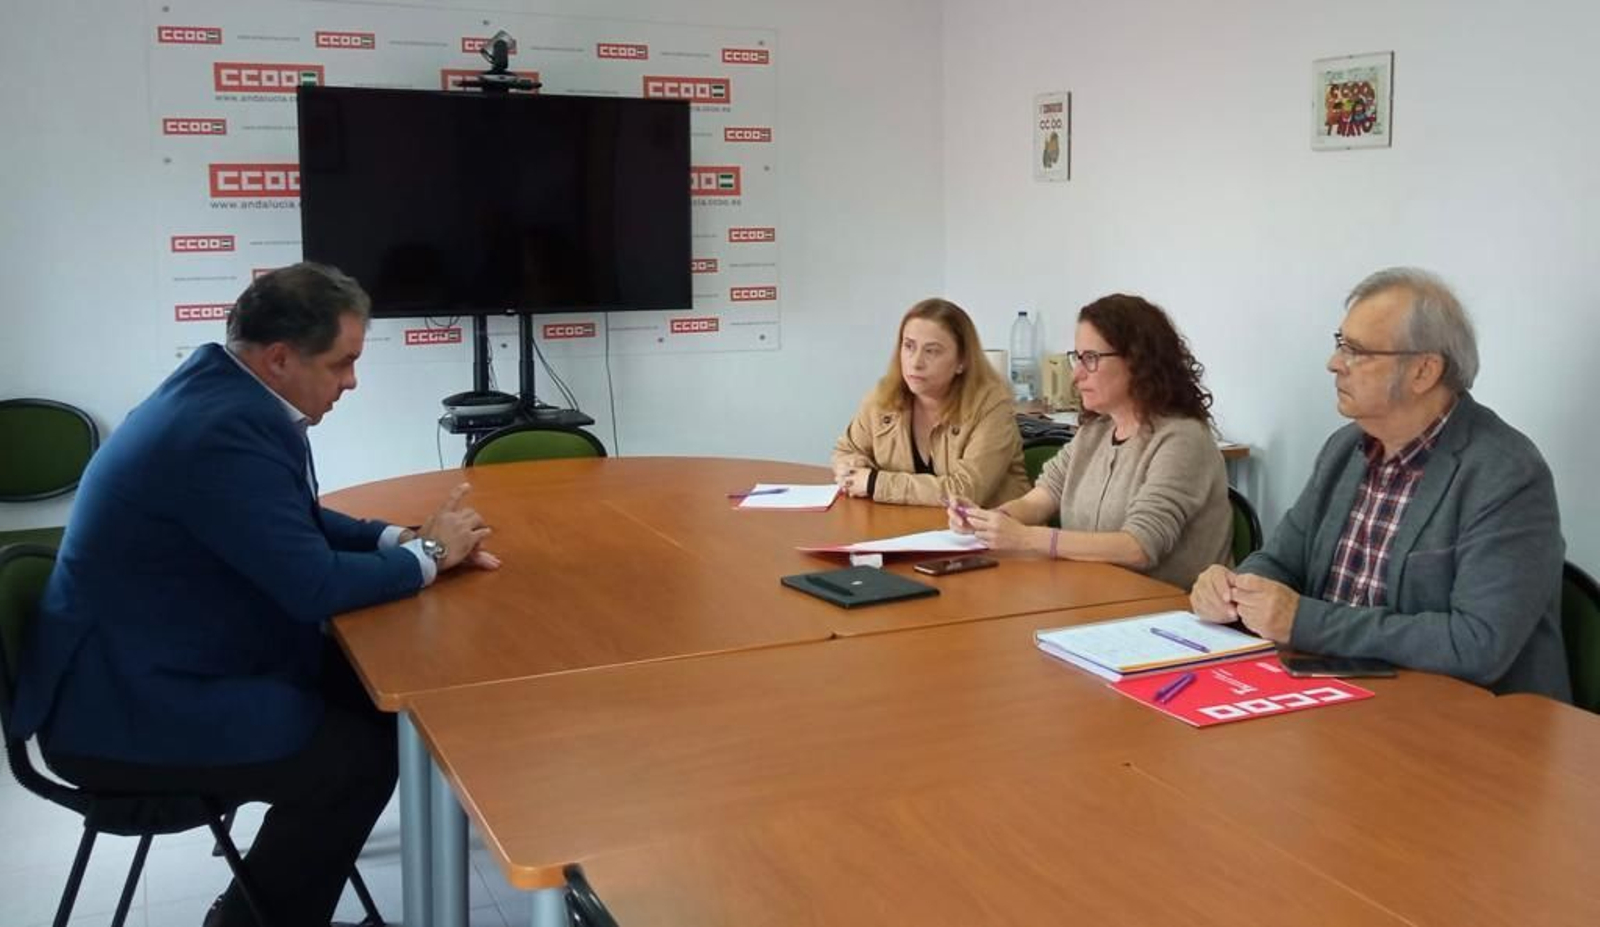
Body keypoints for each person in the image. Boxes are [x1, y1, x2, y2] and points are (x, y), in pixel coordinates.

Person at [11, 263, 501, 927]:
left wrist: (400, 541)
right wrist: (432, 556)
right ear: (278, 358)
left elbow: (290, 517)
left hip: (156, 657)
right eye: (341, 363)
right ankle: (251, 919)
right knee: (356, 758)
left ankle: (266, 906)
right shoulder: (219, 430)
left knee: (381, 699)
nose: (351, 382)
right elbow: (314, 585)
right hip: (126, 707)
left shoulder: (218, 391)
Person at [1191, 268, 1568, 700]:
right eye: (1339, 343)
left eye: (1357, 351)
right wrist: (1234, 590)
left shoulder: (1505, 473)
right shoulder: (1345, 448)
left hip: (1463, 723)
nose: (1334, 363)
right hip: (1336, 696)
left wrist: (1304, 621)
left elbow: (1478, 643)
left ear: (1424, 371)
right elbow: (1282, 561)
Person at [949, 294, 1230, 589]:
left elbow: (1139, 548)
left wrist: (1027, 538)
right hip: (1093, 598)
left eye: (1090, 359)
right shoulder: (1095, 431)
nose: (1076, 374)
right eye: (1077, 357)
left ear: (1137, 361)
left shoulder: (1182, 439)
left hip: (1165, 616)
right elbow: (1039, 501)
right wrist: (989, 520)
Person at [832, 298, 1029, 507]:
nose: (915, 362)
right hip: (911, 529)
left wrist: (874, 483)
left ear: (962, 361)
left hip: (988, 532)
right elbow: (846, 450)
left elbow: (966, 491)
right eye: (909, 346)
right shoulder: (883, 398)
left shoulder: (991, 405)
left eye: (931, 351)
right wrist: (851, 467)